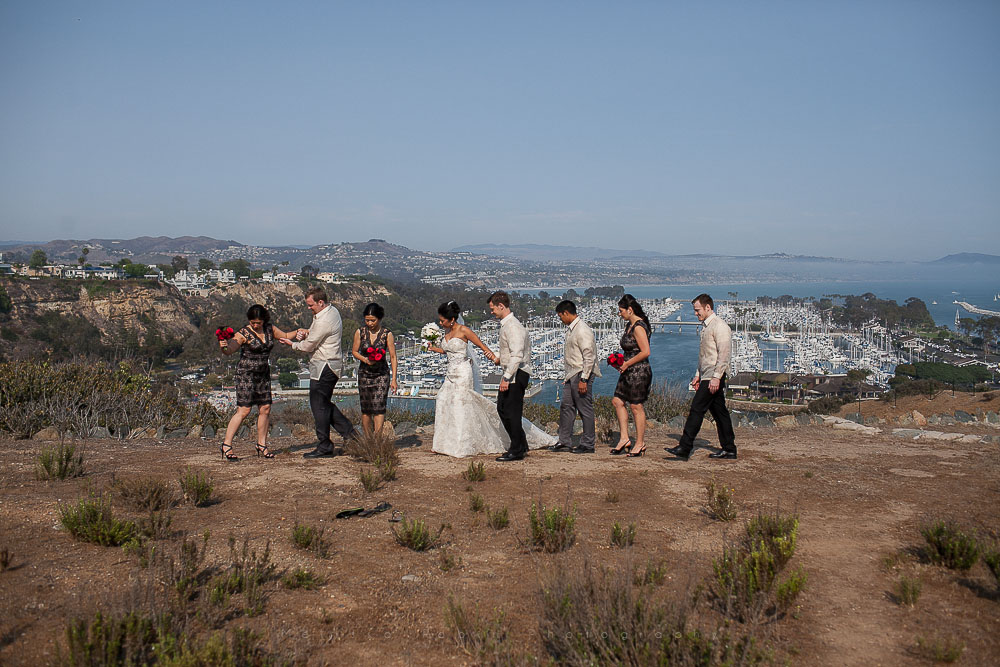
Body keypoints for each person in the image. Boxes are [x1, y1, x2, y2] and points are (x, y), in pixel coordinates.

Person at [427, 300, 555, 457]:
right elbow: (447, 351)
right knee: (443, 400)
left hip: (462, 372)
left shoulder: (464, 331)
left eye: (442, 320)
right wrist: (433, 348)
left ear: (452, 319)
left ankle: (461, 445)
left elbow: (481, 346)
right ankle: (441, 443)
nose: (440, 323)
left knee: (460, 404)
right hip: (450, 373)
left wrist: (494, 358)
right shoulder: (446, 332)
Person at [279, 287, 358, 458]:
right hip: (329, 364)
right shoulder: (331, 311)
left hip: (324, 365)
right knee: (323, 403)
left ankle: (325, 445)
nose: (309, 308)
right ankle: (351, 434)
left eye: (311, 305)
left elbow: (309, 346)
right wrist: (308, 333)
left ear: (320, 302)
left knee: (319, 406)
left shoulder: (324, 320)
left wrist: (292, 344)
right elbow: (316, 336)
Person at [218, 304, 296, 461]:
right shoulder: (243, 333)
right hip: (246, 375)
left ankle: (262, 444)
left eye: (258, 323)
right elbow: (229, 350)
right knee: (244, 410)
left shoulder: (270, 329)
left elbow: (286, 335)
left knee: (265, 408)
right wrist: (223, 346)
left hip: (263, 375)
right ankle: (226, 445)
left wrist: (302, 331)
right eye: (252, 322)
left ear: (264, 320)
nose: (255, 325)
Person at [667, 294, 737, 461]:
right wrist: (698, 375)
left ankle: (685, 447)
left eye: (697, 310)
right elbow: (704, 356)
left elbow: (724, 355)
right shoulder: (707, 326)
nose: (695, 313)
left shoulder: (720, 326)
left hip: (713, 375)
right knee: (720, 414)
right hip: (707, 375)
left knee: (696, 409)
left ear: (708, 307)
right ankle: (729, 449)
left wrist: (716, 377)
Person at [489, 291, 534, 462]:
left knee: (510, 411)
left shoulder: (513, 326)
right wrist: (500, 360)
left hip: (517, 373)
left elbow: (517, 355)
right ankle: (520, 444)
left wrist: (506, 377)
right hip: (513, 371)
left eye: (493, 308)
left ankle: (516, 450)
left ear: (501, 306)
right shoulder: (508, 325)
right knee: (504, 408)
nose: (491, 312)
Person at [552, 300, 601, 454]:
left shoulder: (582, 330)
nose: (560, 319)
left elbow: (589, 356)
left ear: (566, 313)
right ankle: (564, 441)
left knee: (584, 408)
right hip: (572, 374)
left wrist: (584, 379)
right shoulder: (572, 329)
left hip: (581, 373)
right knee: (566, 406)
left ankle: (588, 443)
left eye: (560, 316)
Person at [610, 294, 652, 457]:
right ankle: (624, 438)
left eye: (621, 311)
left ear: (630, 310)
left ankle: (640, 443)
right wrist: (619, 361)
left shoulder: (638, 327)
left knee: (636, 406)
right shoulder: (629, 325)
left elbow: (645, 351)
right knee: (617, 401)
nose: (619, 314)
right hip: (628, 370)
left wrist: (627, 363)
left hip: (639, 371)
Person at [350, 302, 398, 436]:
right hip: (364, 374)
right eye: (367, 320)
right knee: (366, 409)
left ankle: (377, 438)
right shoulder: (360, 332)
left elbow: (393, 357)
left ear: (379, 318)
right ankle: (368, 439)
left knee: (379, 407)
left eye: (373, 320)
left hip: (381, 374)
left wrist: (394, 379)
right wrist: (365, 359)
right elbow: (354, 351)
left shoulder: (387, 334)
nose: (370, 323)